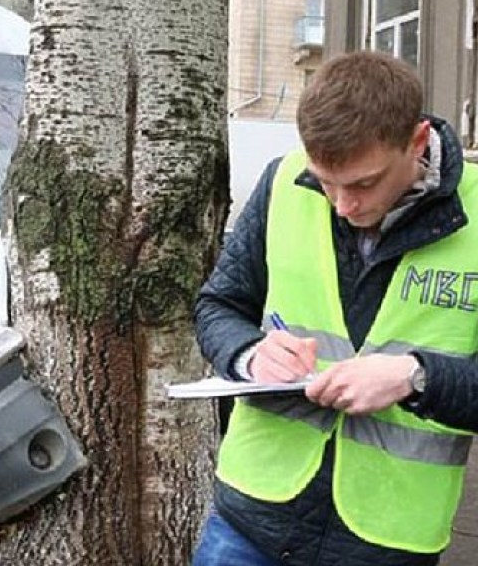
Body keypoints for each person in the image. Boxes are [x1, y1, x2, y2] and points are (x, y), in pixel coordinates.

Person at [192, 50, 478, 566]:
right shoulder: (284, 181)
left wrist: (417, 377)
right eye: (325, 181)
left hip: (386, 541)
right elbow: (219, 305)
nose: (343, 204)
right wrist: (249, 355)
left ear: (416, 144)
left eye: (364, 183)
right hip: (250, 521)